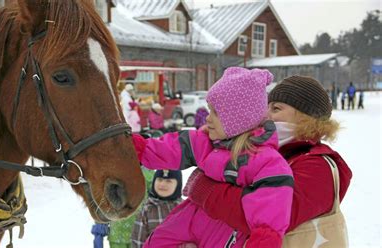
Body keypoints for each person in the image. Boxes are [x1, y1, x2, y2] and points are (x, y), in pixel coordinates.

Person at [132, 67, 294, 247]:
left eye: (215, 113)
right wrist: (137, 148)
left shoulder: (267, 162)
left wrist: (264, 240)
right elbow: (169, 148)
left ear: (238, 120)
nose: (208, 119)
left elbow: (270, 211)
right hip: (190, 218)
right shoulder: (206, 141)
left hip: (226, 230)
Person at [184, 75, 352, 246]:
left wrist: (205, 188)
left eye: (276, 109)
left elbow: (265, 215)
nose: (265, 116)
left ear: (305, 117)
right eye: (266, 107)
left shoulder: (317, 166)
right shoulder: (265, 152)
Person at [131, 170, 183, 248]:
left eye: (168, 181)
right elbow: (138, 240)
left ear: (178, 185)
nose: (162, 184)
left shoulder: (184, 209)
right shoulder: (147, 210)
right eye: (159, 179)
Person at [108, 168, 154, 248]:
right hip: (117, 234)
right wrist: (100, 225)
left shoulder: (147, 171)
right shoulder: (113, 169)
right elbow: (104, 198)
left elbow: (156, 198)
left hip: (140, 233)